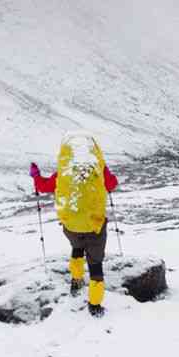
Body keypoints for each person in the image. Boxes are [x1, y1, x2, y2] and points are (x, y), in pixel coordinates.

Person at [30, 130, 120, 317]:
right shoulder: (97, 169)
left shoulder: (65, 172)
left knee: (77, 249)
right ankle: (94, 305)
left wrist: (36, 176)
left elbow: (43, 186)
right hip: (95, 227)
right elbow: (112, 184)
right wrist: (103, 170)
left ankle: (77, 281)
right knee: (95, 264)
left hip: (71, 226)